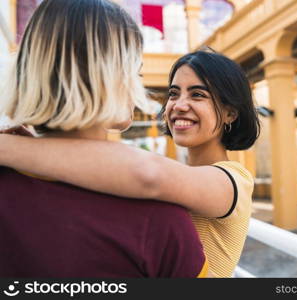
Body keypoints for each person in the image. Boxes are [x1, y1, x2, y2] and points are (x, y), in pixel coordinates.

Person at [0, 51, 260, 277]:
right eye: (173, 93)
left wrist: (14, 148)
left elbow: (148, 174)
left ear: (230, 112)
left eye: (198, 95)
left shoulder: (234, 180)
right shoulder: (181, 175)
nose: (179, 105)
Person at [0, 0, 208, 278]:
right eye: (135, 68)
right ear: (108, 75)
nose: (139, 79)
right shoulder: (158, 218)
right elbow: (149, 175)